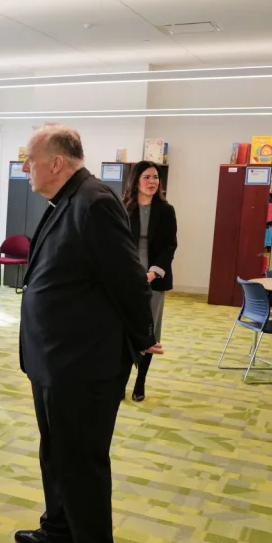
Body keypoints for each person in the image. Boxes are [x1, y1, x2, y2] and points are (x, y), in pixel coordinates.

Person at [13, 125, 162, 543]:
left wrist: (143, 339)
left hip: (84, 363)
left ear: (57, 162)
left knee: (81, 459)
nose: (25, 168)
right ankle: (59, 530)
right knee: (55, 451)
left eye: (30, 160)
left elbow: (126, 278)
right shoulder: (68, 199)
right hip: (55, 358)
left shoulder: (94, 201)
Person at [122, 161, 178, 402]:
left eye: (156, 177)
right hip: (127, 280)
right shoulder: (124, 208)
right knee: (124, 330)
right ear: (136, 181)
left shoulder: (166, 211)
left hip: (154, 280)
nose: (153, 182)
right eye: (147, 177)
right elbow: (118, 245)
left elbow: (169, 246)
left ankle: (140, 382)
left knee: (149, 333)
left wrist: (153, 272)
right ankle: (120, 381)